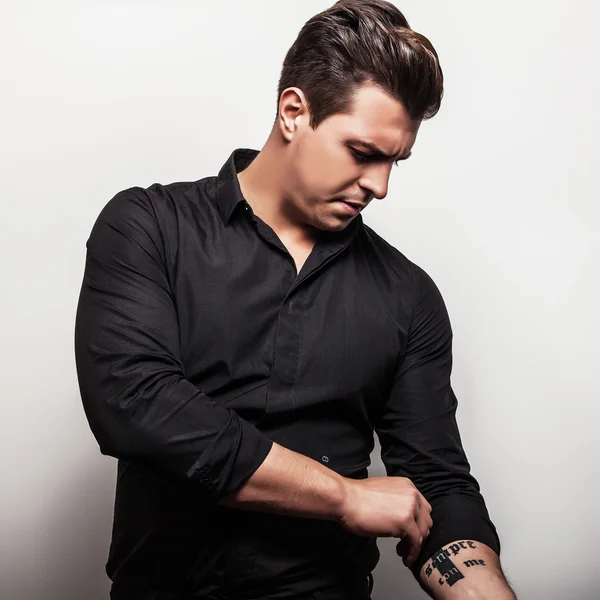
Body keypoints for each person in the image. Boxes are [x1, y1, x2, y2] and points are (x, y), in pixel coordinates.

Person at [75, 1, 517, 599]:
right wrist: (342, 496)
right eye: (363, 153)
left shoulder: (409, 297)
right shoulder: (149, 227)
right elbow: (136, 403)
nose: (381, 186)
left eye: (395, 161)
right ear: (293, 112)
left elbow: (438, 484)